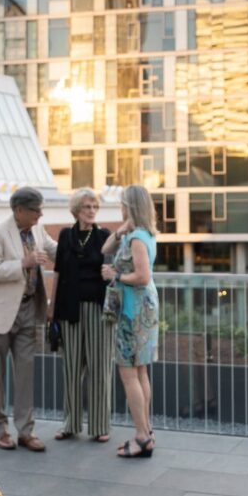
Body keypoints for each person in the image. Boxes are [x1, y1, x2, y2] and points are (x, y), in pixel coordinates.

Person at [0, 186, 58, 452]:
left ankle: (26, 431)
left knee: (25, 373)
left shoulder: (37, 228)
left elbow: (55, 249)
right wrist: (23, 263)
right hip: (0, 314)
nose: (41, 214)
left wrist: (83, 242)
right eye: (36, 209)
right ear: (20, 210)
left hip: (28, 311)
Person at [100, 184, 160, 458]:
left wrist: (115, 275)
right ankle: (146, 430)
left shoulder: (137, 238)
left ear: (129, 206)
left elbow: (142, 276)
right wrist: (121, 228)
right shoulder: (140, 233)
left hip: (132, 312)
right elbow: (105, 247)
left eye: (123, 203)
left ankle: (141, 436)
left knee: (129, 373)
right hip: (142, 309)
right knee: (140, 371)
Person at [51, 188, 114, 443]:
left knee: (100, 369)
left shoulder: (104, 236)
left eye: (95, 207)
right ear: (77, 209)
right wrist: (51, 308)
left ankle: (100, 426)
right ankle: (70, 424)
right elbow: (57, 273)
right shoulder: (65, 235)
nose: (91, 211)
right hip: (69, 309)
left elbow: (114, 263)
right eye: (87, 206)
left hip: (99, 309)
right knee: (71, 369)